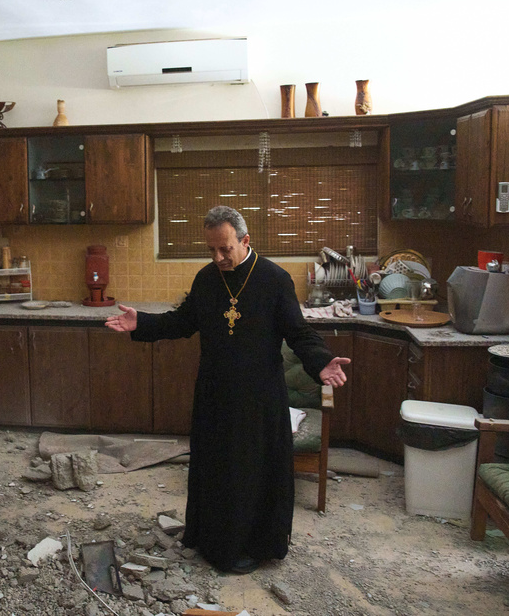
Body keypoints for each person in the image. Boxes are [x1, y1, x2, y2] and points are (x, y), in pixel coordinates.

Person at [105, 205, 350, 574]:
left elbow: (299, 333)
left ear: (245, 240)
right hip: (215, 395)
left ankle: (254, 546)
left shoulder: (274, 279)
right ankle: (212, 540)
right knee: (217, 470)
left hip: (259, 398)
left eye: (225, 249)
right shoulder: (206, 280)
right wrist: (143, 323)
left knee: (251, 473)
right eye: (212, 250)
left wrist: (320, 362)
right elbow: (182, 322)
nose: (218, 257)